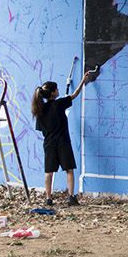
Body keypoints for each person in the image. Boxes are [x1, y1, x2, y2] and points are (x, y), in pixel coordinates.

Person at [32, 67, 98, 206]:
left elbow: (40, 129)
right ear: (53, 93)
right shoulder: (59, 103)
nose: (58, 91)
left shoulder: (40, 110)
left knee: (49, 172)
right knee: (69, 170)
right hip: (63, 142)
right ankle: (71, 197)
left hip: (49, 144)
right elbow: (74, 94)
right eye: (56, 89)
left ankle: (49, 198)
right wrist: (83, 80)